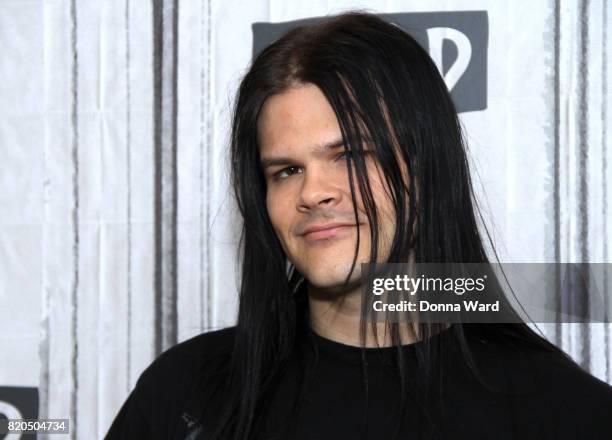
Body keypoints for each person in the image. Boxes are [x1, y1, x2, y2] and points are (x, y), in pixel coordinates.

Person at [106, 11, 612, 440]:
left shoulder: (565, 414)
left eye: (349, 155)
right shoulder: (186, 392)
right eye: (286, 170)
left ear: (427, 165)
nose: (312, 192)